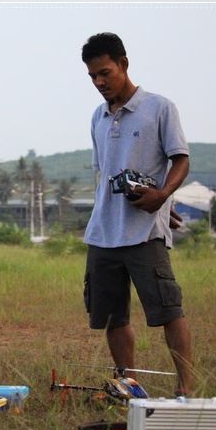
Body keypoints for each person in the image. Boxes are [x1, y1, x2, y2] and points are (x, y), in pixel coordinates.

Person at [80, 32, 194, 395]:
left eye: (105, 73)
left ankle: (186, 388)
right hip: (102, 233)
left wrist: (163, 196)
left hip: (144, 233)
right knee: (113, 317)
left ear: (124, 65)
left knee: (168, 310)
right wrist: (162, 199)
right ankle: (127, 385)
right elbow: (106, 173)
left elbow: (180, 159)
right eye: (93, 76)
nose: (99, 82)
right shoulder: (98, 117)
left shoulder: (159, 108)